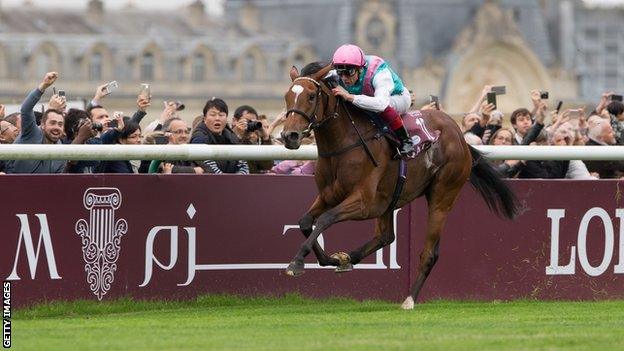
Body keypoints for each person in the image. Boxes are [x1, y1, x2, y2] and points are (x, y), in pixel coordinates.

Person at [330, 44, 415, 157]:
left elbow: (381, 104)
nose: (344, 78)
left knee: (381, 107)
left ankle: (406, 142)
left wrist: (350, 97)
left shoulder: (379, 73)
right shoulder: (344, 71)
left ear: (360, 69)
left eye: (349, 73)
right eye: (340, 73)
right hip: (369, 97)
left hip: (397, 98)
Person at [7, 72, 67, 174]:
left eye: (60, 124)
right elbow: (26, 109)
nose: (57, 127)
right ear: (42, 125)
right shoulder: (31, 133)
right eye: (52, 123)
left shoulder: (61, 149)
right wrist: (44, 85)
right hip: (15, 188)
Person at [190, 97, 249, 174]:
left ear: (226, 118)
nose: (217, 118)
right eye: (213, 115)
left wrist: (238, 179)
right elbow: (209, 168)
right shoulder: (199, 138)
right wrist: (227, 180)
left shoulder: (232, 136)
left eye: (221, 115)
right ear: (204, 118)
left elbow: (243, 164)